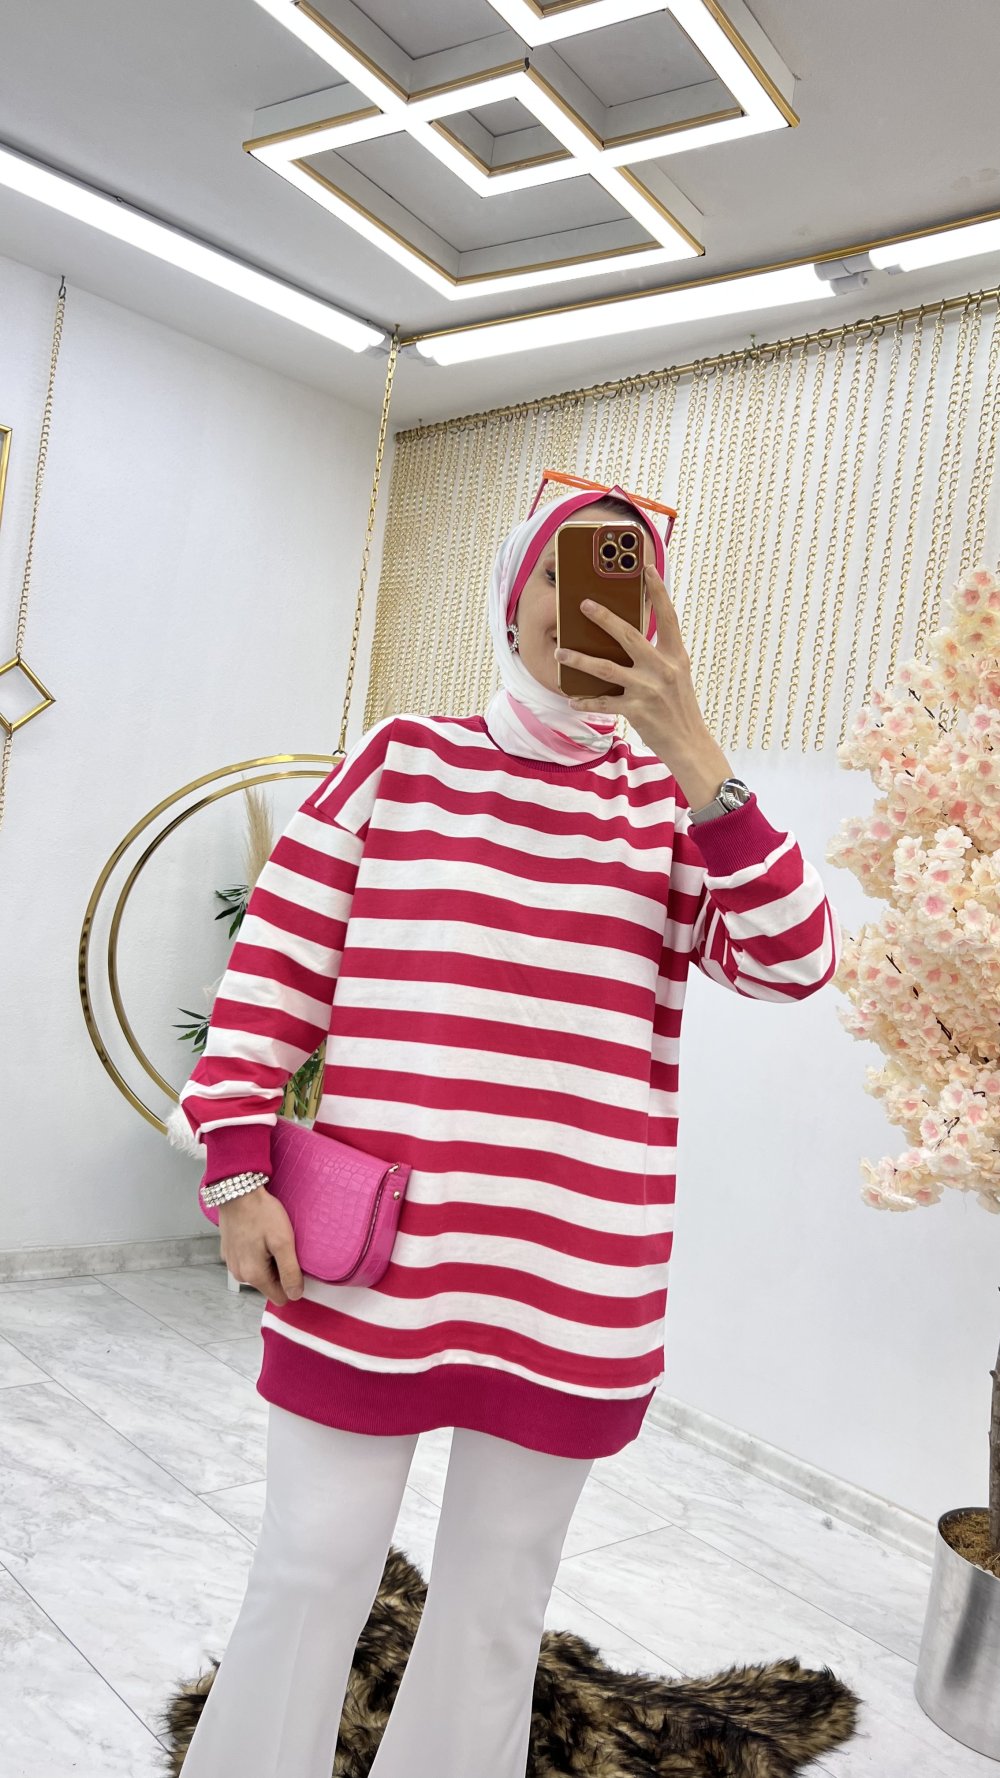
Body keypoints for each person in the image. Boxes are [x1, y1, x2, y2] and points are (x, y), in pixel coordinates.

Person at [176, 481, 841, 1777]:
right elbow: (276, 970)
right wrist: (237, 1167)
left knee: (496, 1606)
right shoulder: (403, 761)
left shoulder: (670, 811)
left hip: (569, 1279)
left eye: (626, 576)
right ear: (511, 591)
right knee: (312, 1566)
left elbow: (795, 959)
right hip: (375, 1256)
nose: (586, 604)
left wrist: (693, 744)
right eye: (562, 571)